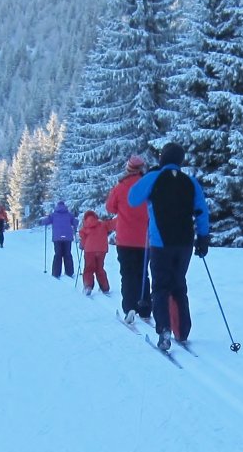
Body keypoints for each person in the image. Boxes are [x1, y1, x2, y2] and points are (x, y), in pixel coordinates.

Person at [128, 143, 209, 352]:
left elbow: (133, 198)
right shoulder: (190, 182)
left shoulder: (154, 178)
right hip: (185, 242)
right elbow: (201, 211)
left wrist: (149, 177)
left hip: (160, 243)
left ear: (162, 158)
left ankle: (164, 330)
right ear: (180, 160)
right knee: (179, 284)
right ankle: (182, 330)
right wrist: (203, 237)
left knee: (161, 287)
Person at [105, 155, 153, 323]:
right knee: (143, 274)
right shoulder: (147, 186)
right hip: (145, 239)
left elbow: (110, 207)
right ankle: (146, 307)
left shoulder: (120, 187)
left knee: (127, 274)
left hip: (125, 239)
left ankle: (130, 307)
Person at [77, 210, 117, 296]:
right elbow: (113, 224)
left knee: (89, 269)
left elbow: (83, 238)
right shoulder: (103, 224)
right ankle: (105, 288)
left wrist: (82, 245)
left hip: (89, 250)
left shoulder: (85, 227)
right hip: (101, 250)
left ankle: (88, 286)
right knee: (100, 268)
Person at [38, 200, 77, 278]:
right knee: (67, 254)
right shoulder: (69, 215)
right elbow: (75, 222)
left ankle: (56, 273)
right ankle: (69, 272)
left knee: (58, 254)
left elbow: (45, 221)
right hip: (67, 238)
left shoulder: (53, 215)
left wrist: (40, 222)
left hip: (57, 238)